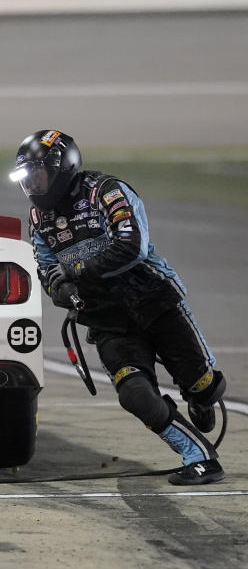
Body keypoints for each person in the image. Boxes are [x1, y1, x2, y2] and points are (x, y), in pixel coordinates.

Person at [11, 129, 227, 485]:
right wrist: (59, 287)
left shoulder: (107, 191)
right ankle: (200, 457)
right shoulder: (38, 218)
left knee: (204, 385)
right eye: (26, 178)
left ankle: (200, 398)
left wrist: (76, 270)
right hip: (107, 320)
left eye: (37, 174)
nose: (32, 185)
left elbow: (132, 247)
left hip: (155, 301)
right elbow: (46, 266)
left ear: (62, 168)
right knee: (134, 394)